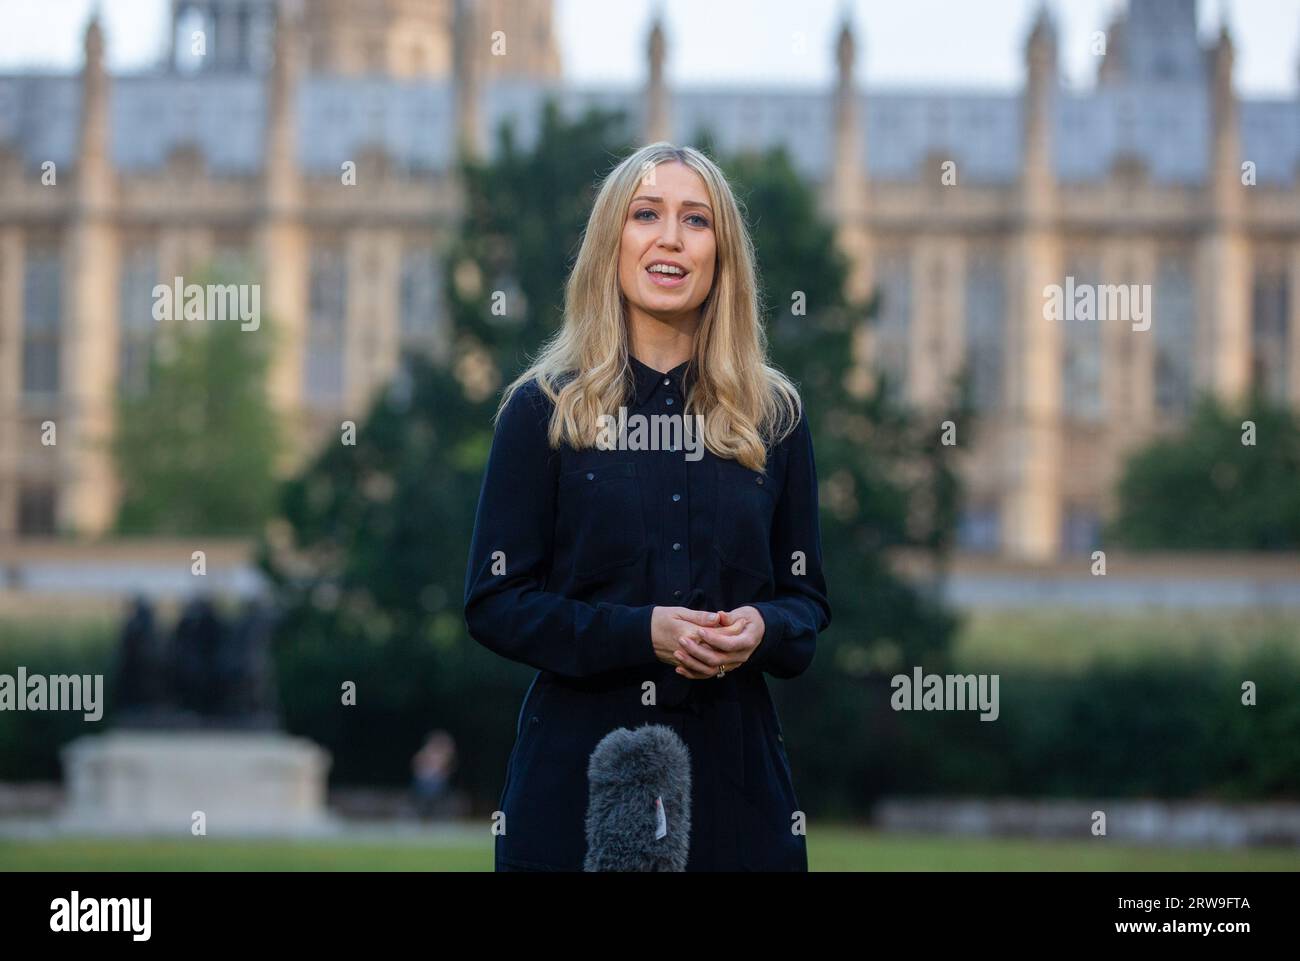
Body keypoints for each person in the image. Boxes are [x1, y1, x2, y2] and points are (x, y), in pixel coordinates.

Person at [463, 142, 831, 871]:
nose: (670, 237)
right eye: (646, 215)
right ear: (613, 242)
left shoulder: (775, 417)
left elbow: (807, 607)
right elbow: (495, 603)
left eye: (695, 220)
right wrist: (641, 634)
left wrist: (760, 626)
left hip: (736, 787)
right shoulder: (542, 410)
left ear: (721, 253)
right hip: (575, 784)